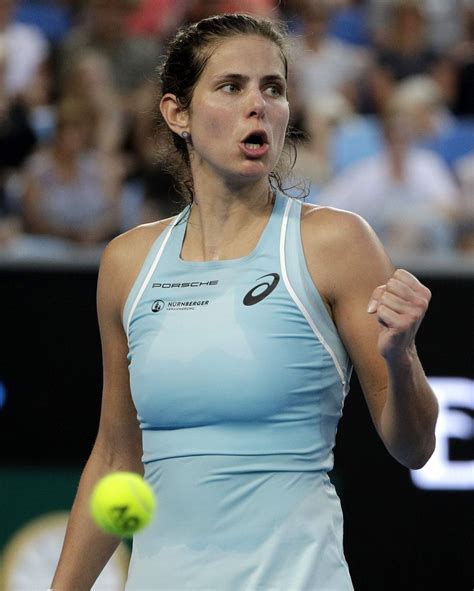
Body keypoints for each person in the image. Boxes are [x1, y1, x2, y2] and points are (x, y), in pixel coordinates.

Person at [51, 13, 439, 590]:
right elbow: (114, 457)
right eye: (231, 87)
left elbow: (414, 447)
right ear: (177, 113)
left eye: (273, 88)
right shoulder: (128, 263)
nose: (258, 105)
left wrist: (400, 356)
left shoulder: (337, 243)